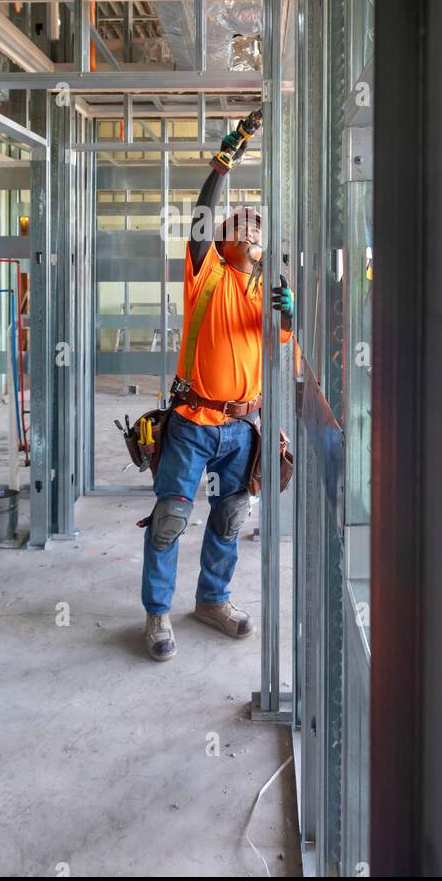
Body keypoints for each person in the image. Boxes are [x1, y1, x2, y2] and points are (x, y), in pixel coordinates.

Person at [141, 121, 294, 661]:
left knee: (230, 517)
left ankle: (212, 600)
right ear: (223, 239)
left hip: (242, 428)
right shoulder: (206, 275)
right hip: (193, 422)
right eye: (240, 222)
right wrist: (223, 162)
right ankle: (158, 612)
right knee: (170, 519)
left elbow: (285, 356)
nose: (251, 227)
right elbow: (201, 219)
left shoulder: (267, 293)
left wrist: (292, 317)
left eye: (257, 223)